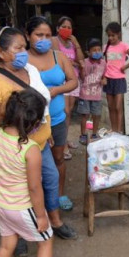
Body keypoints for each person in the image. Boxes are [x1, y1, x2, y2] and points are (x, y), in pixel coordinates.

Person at [0, 26, 78, 257]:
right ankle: (19, 235)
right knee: (21, 192)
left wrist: (47, 129)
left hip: (40, 145)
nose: (24, 52)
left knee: (50, 182)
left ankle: (55, 221)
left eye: (24, 46)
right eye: (19, 48)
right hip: (16, 151)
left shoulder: (29, 69)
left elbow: (40, 102)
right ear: (1, 53)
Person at [0, 89, 72, 257]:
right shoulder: (30, 149)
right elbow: (34, 188)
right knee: (45, 241)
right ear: (33, 122)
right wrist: (42, 216)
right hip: (22, 208)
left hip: (1, 205)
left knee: (6, 244)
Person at [26, 16, 78, 212]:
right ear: (27, 35)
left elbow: (73, 81)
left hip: (56, 119)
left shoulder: (59, 56)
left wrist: (56, 90)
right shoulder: (21, 58)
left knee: (58, 159)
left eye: (48, 35)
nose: (44, 39)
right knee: (32, 163)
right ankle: (33, 201)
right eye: (39, 35)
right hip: (31, 124)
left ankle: (58, 194)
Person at [53, 16, 84, 158]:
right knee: (64, 111)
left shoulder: (72, 43)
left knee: (69, 112)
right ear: (57, 28)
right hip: (62, 81)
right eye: (63, 26)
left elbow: (81, 60)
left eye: (69, 27)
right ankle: (62, 144)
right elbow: (55, 59)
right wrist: (71, 64)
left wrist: (76, 43)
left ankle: (64, 139)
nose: (66, 29)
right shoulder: (54, 41)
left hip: (74, 79)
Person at [103, 22, 129, 134]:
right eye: (109, 35)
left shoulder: (124, 46)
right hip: (108, 79)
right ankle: (113, 130)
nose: (110, 38)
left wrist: (124, 67)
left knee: (118, 106)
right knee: (111, 106)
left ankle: (119, 130)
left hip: (119, 79)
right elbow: (103, 63)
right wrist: (103, 77)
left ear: (119, 34)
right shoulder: (106, 47)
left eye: (113, 35)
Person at [77, 38, 107, 145]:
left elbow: (104, 76)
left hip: (97, 94)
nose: (97, 52)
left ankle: (94, 134)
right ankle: (83, 135)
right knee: (84, 115)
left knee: (96, 115)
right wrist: (81, 68)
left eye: (99, 49)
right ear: (88, 52)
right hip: (85, 94)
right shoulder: (84, 62)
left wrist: (104, 80)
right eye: (94, 50)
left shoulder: (103, 63)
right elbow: (81, 77)